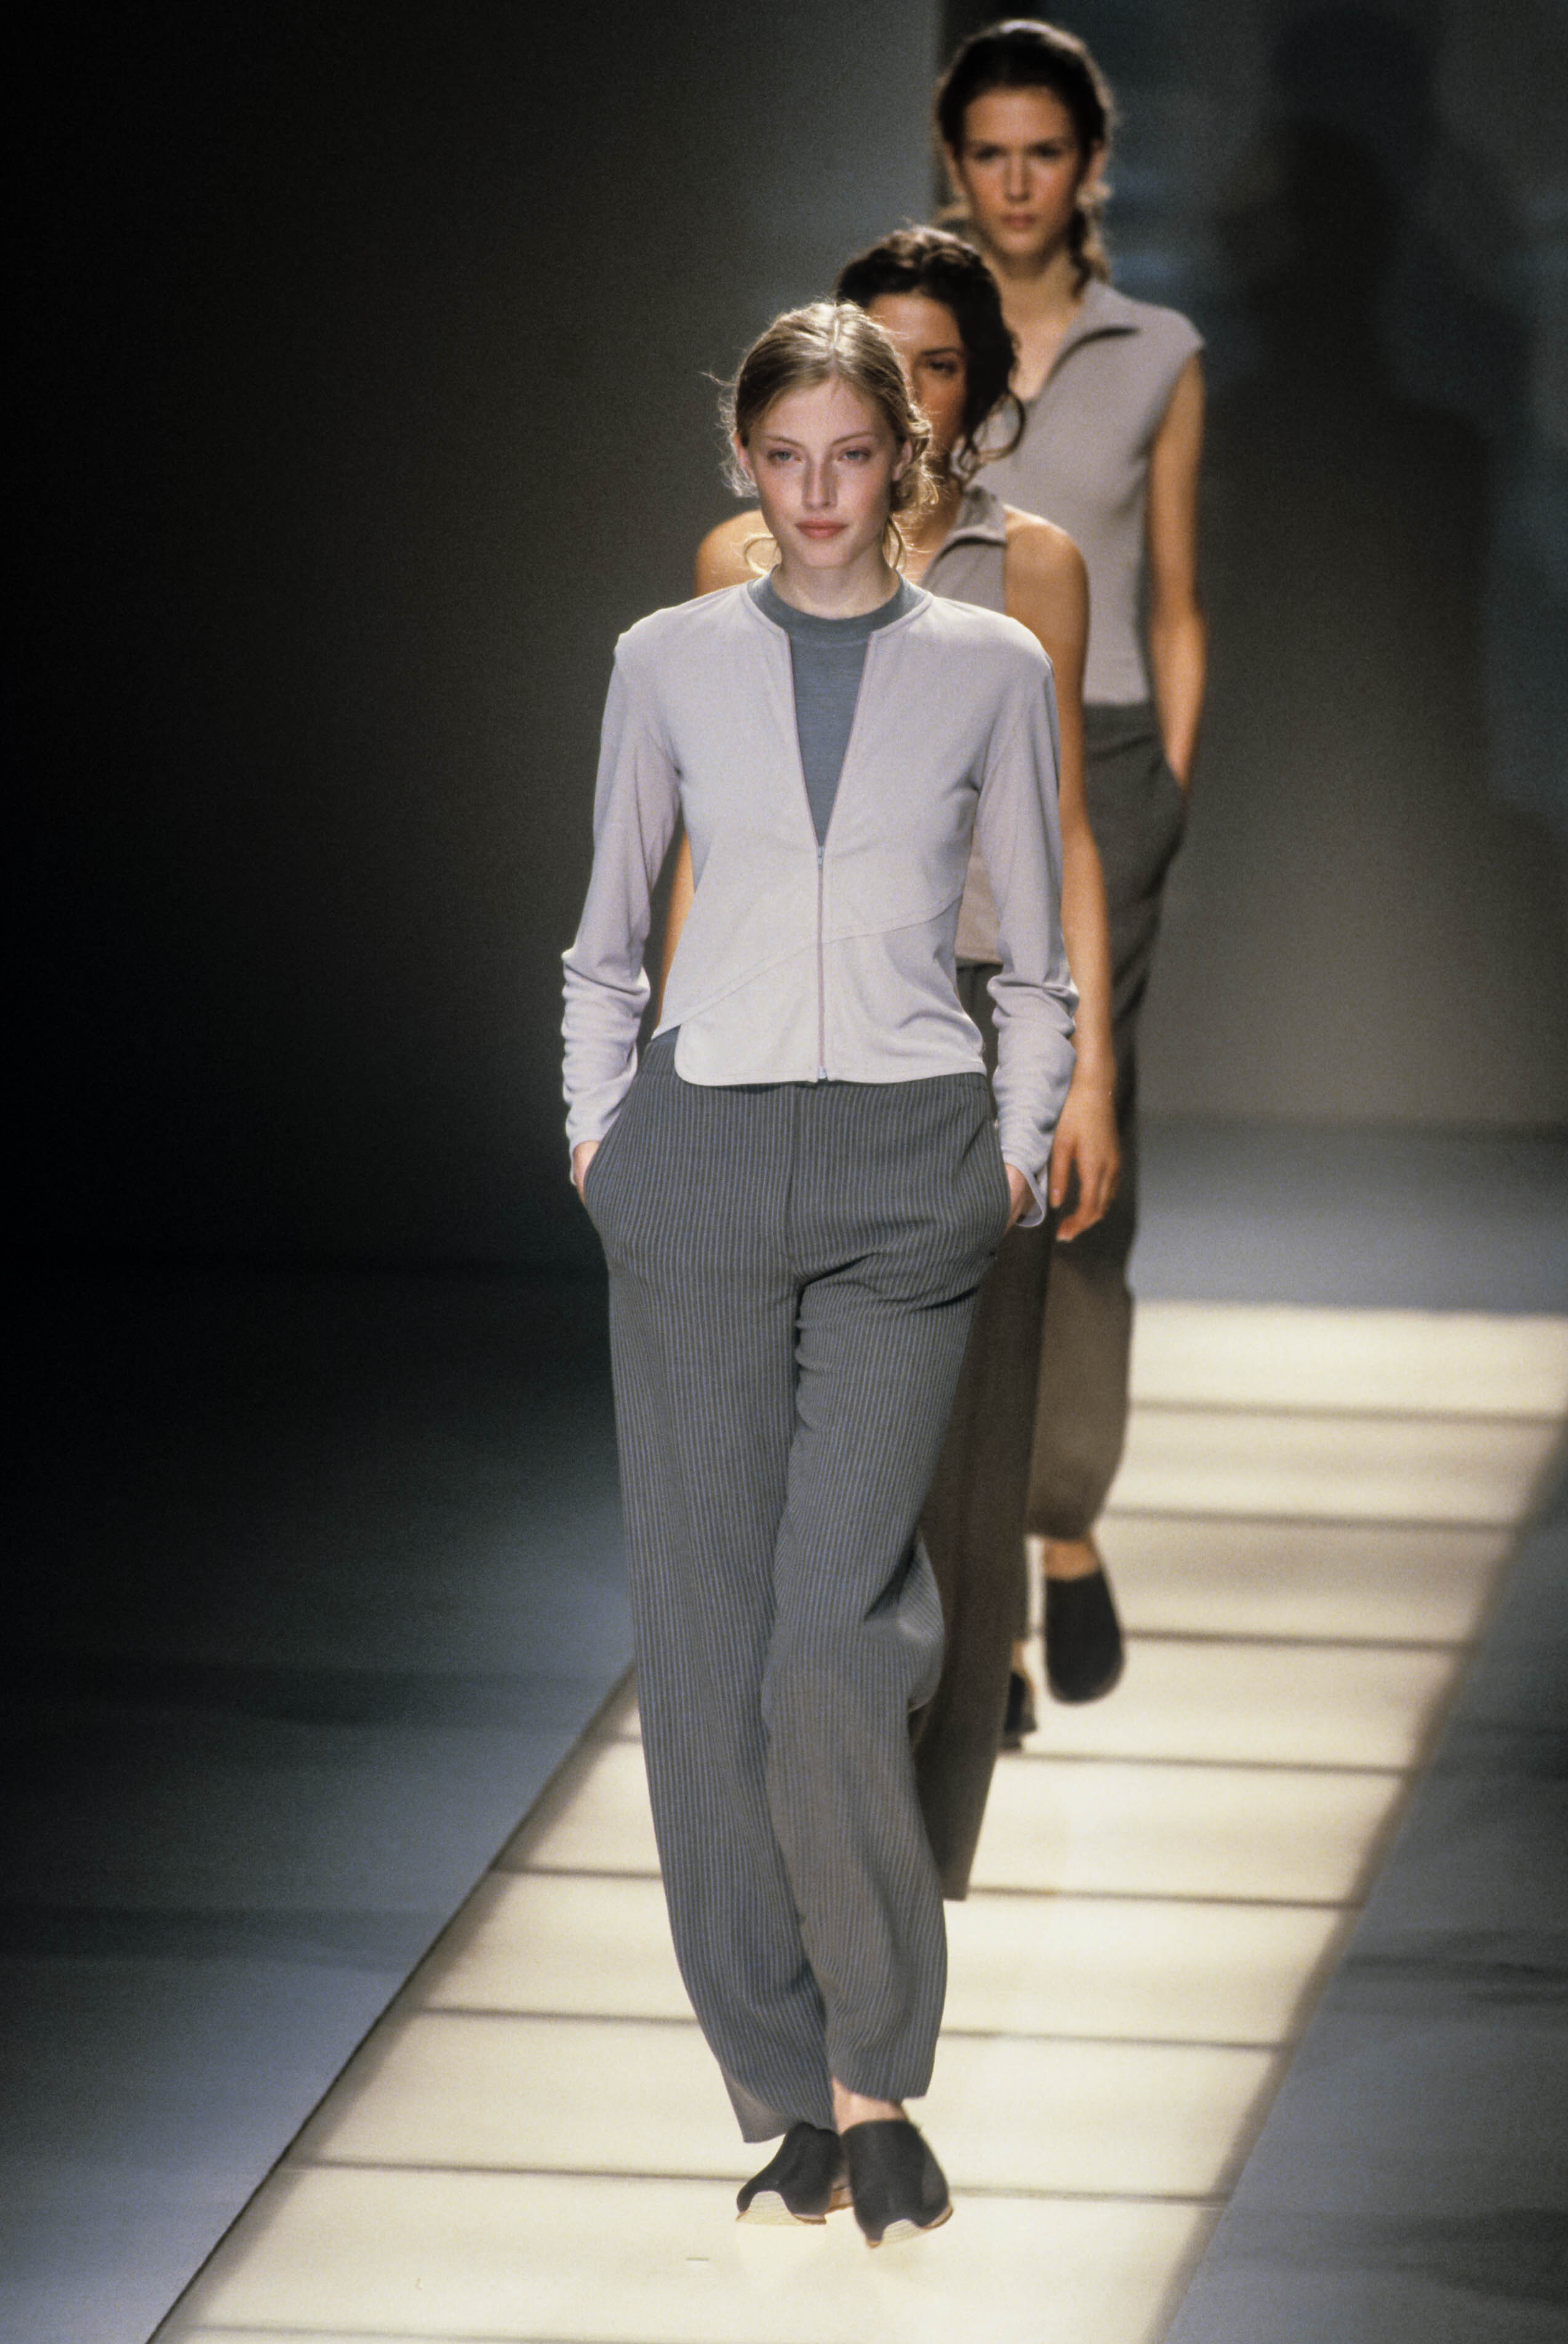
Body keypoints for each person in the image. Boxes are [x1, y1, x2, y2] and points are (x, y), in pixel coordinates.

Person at [562, 301, 1076, 2242]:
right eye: (783, 459)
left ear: (902, 460)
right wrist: (601, 1140)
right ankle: (784, 2083)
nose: (817, 493)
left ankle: (876, 2070)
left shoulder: (991, 666)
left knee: (835, 1640)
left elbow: (1037, 951)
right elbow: (606, 933)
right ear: (746, 465)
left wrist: (1009, 1148)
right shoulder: (666, 660)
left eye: (850, 456)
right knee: (705, 1647)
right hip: (695, 1163)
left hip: (902, 1174)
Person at [691, 225, 1118, 1898]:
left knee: (960, 1463)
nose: (907, 393)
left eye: (938, 364)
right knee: (782, 1459)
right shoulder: (736, 559)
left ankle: (916, 1868)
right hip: (781, 1034)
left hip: (966, 1035)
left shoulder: (1032, 571)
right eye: (881, 359)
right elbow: (703, 835)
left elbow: (1062, 834)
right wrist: (667, 1062)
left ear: (980, 389)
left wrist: (1082, 1072)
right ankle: (804, 1839)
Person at [938, 18, 1206, 1697]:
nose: (1018, 182)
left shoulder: (1155, 349)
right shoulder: (907, 332)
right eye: (990, 152)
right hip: (929, 747)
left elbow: (1173, 592)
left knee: (1077, 1138)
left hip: (1098, 758)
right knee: (938, 1149)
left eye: (1045, 151)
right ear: (954, 162)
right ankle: (970, 1588)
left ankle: (1058, 1514)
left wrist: (1161, 776)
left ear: (1089, 164)